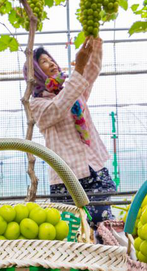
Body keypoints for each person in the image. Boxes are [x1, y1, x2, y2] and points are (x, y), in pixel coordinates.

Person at [23, 37, 116, 235]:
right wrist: (79, 67)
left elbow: (89, 75)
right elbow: (59, 107)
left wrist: (95, 45)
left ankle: (109, 265)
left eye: (51, 60)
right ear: (37, 74)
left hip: (94, 170)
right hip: (67, 179)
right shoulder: (37, 104)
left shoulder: (72, 91)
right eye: (45, 63)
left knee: (105, 231)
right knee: (74, 236)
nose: (52, 64)